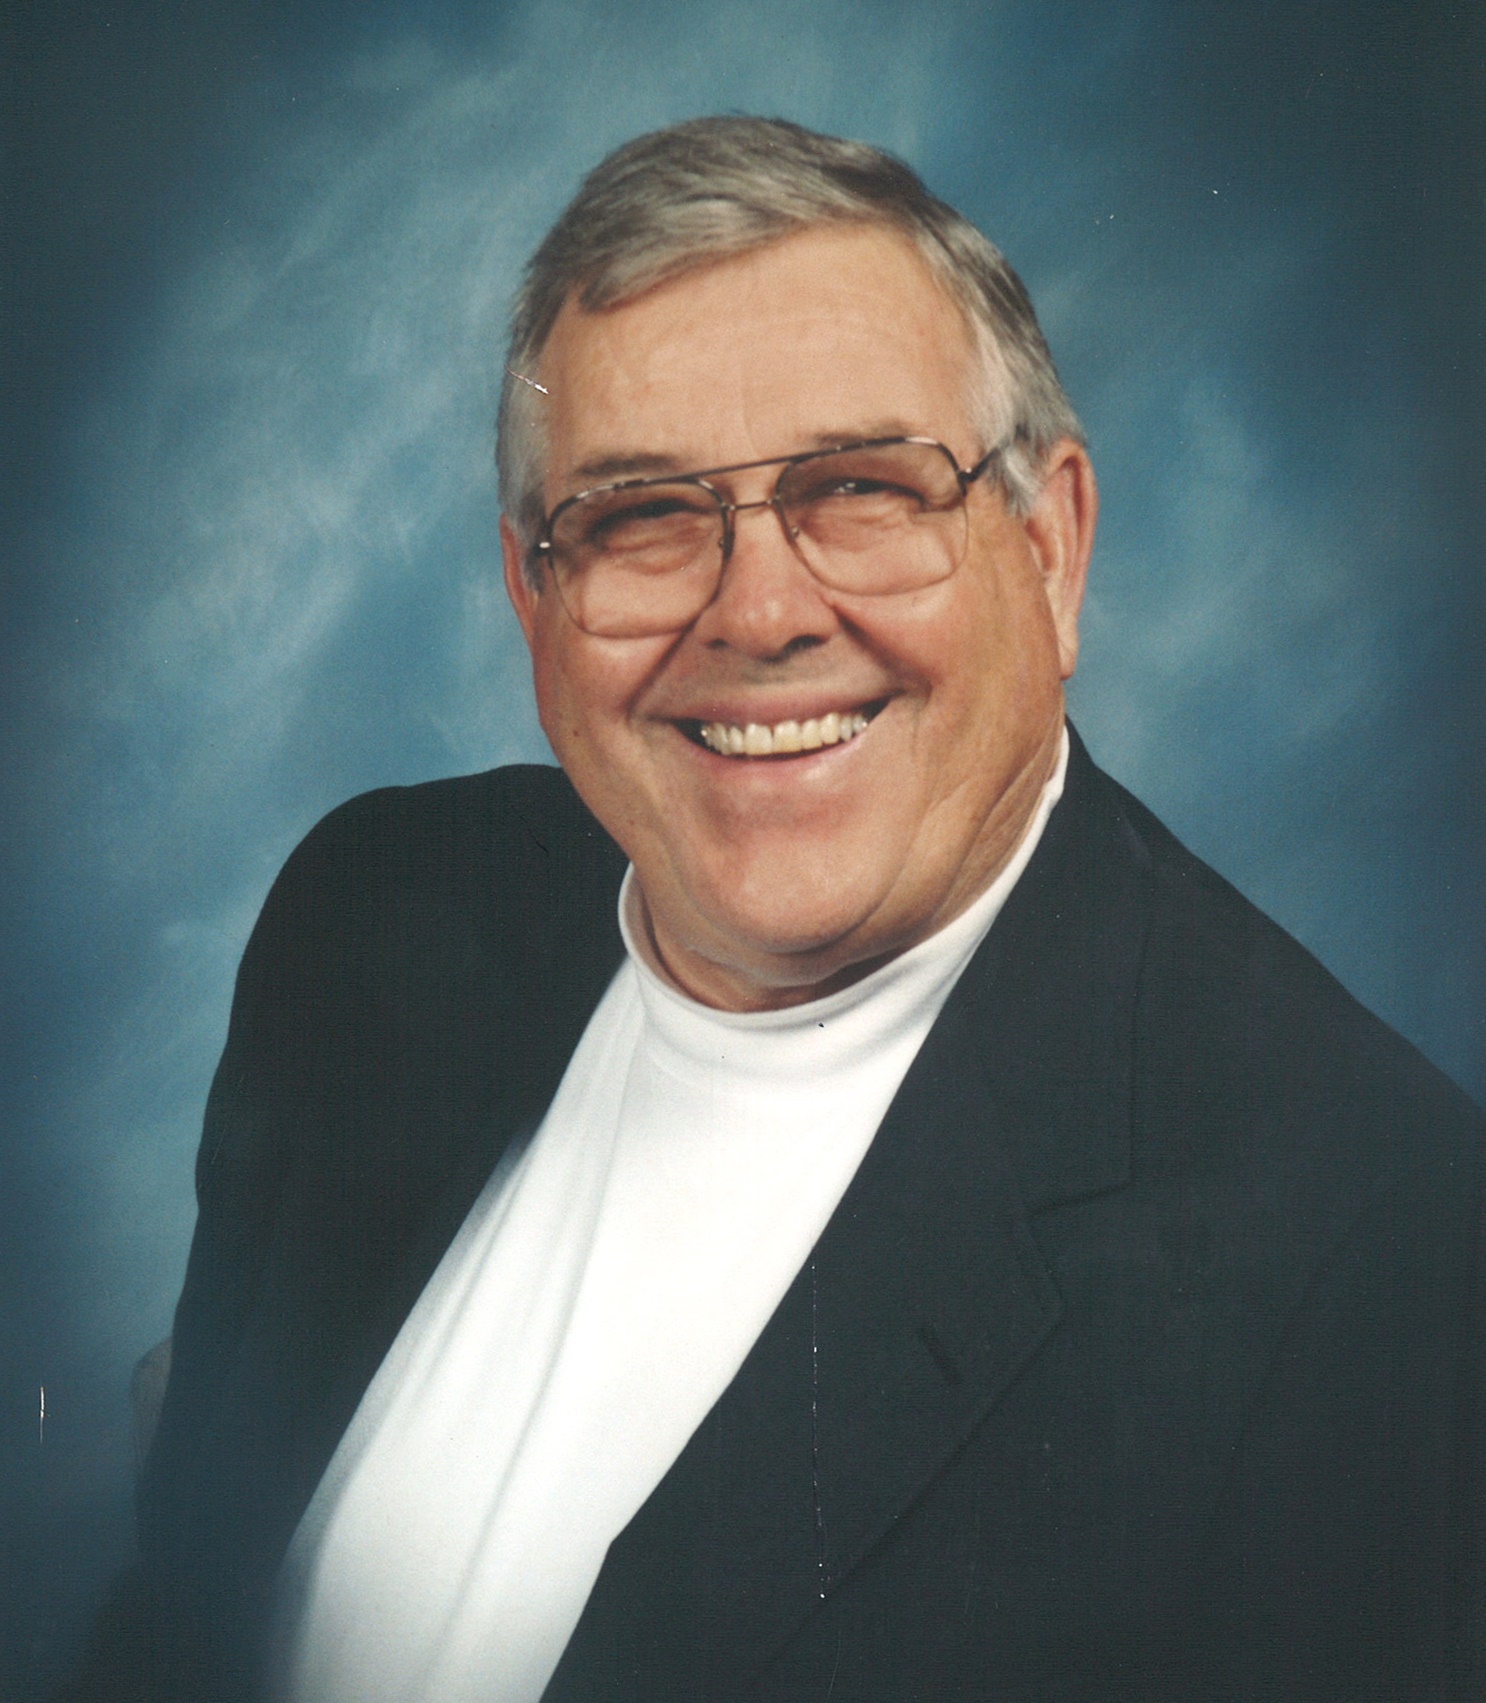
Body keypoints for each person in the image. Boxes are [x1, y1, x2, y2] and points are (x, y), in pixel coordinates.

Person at [67, 116, 1482, 1703]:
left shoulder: (1378, 1249)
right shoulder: (376, 914)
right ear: (534, 595)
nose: (756, 613)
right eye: (638, 515)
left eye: (862, 488)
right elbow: (177, 1619)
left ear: (1049, 549)